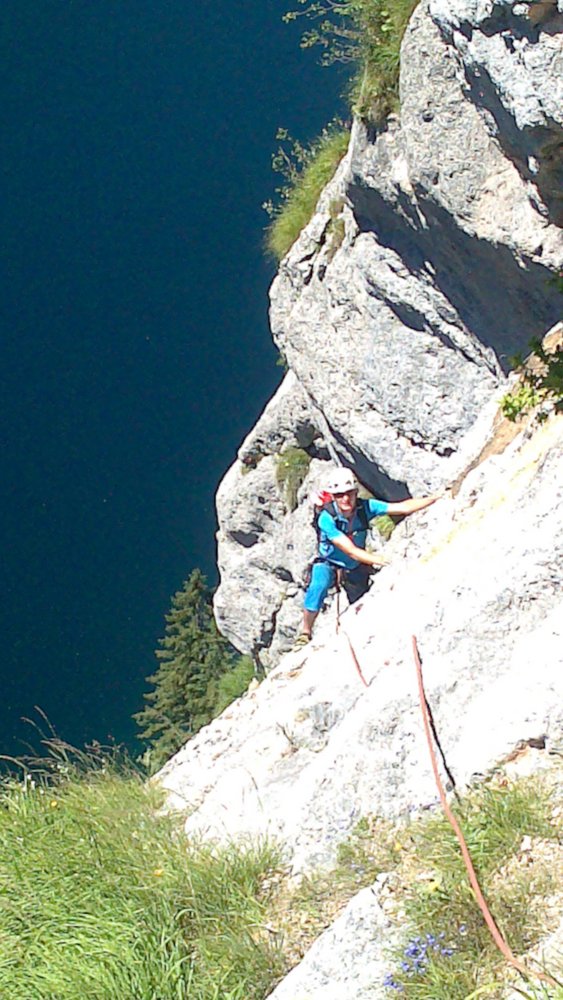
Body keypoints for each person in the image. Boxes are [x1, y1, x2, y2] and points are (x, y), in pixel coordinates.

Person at [294, 468, 441, 647]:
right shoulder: (326, 518)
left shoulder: (365, 507)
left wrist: (435, 498)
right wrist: (380, 560)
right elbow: (350, 550)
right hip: (330, 561)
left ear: (356, 492)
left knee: (361, 600)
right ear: (333, 497)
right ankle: (305, 632)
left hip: (355, 563)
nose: (345, 499)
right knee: (318, 586)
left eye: (349, 493)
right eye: (340, 495)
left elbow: (402, 507)